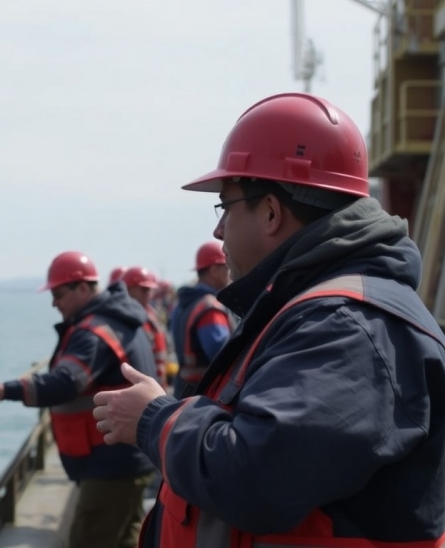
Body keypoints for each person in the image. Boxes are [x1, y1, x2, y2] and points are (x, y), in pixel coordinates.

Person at [92, 92, 445, 546]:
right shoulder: (316, 311)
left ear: (272, 212)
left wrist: (153, 419)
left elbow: (256, 475)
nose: (218, 230)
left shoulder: (348, 326)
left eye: (226, 206)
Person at [0, 251, 157, 548]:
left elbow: (65, 382)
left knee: (87, 540)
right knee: (126, 538)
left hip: (110, 464)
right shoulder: (118, 319)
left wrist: (3, 390)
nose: (54, 303)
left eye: (58, 294)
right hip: (127, 456)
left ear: (82, 288)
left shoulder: (93, 332)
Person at [168, 241, 233, 396]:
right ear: (214, 270)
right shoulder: (210, 308)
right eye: (226, 267)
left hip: (184, 388)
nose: (230, 273)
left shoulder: (183, 304)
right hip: (206, 393)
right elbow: (224, 355)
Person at [120, 266, 169, 387]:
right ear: (129, 290)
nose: (148, 294)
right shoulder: (123, 317)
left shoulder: (151, 316)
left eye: (149, 290)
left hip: (155, 381)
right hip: (136, 383)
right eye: (143, 289)